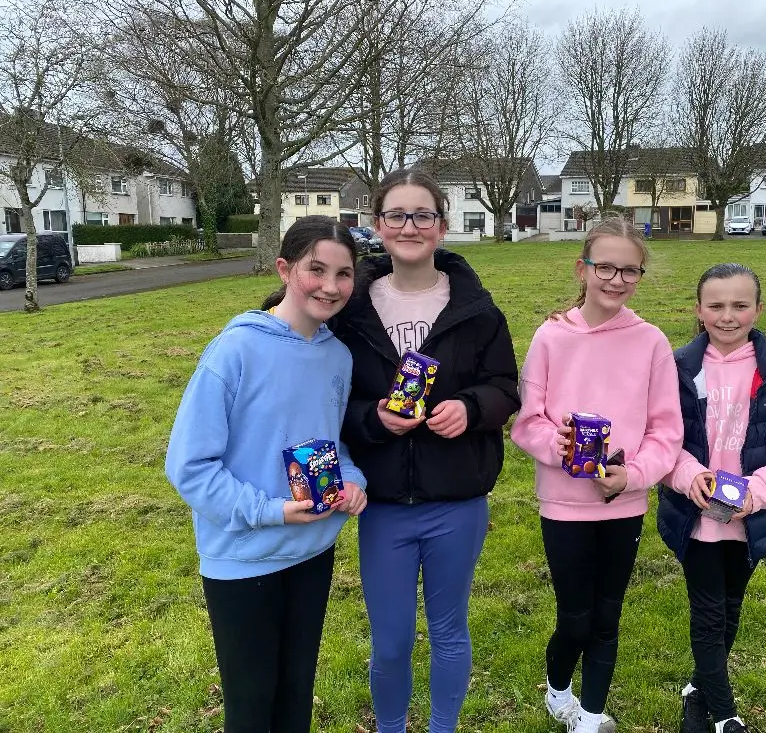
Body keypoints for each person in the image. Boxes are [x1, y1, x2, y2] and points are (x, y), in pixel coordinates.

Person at [331, 169, 520, 733]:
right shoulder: (350, 311)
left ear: (441, 225)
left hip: (456, 500)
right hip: (384, 504)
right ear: (377, 225)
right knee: (390, 641)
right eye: (396, 215)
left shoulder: (477, 310)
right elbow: (332, 400)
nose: (409, 226)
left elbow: (505, 387)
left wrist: (470, 408)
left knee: (448, 631)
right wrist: (373, 419)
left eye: (422, 215)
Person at [165, 216, 368, 733]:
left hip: (312, 552)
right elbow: (189, 466)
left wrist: (352, 481)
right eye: (316, 269)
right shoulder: (235, 350)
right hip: (243, 558)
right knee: (252, 705)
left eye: (343, 274)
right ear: (284, 269)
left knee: (296, 696)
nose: (330, 286)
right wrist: (269, 511)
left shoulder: (338, 357)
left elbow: (332, 443)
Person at [509, 217, 685, 733]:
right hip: (564, 506)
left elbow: (666, 430)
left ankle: (588, 716)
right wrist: (559, 448)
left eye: (630, 270)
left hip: (623, 505)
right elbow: (527, 421)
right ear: (581, 269)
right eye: (605, 267)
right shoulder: (551, 337)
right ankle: (558, 690)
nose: (617, 279)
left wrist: (633, 475)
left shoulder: (651, 342)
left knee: (607, 617)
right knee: (575, 618)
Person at [656, 263, 766, 733]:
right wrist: (687, 474)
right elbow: (660, 436)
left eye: (739, 305)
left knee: (730, 607)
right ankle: (726, 715)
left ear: (758, 309)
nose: (727, 316)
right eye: (715, 305)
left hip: (749, 516)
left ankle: (697, 690)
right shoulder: (678, 367)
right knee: (709, 614)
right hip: (696, 516)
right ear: (698, 310)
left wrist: (760, 491)